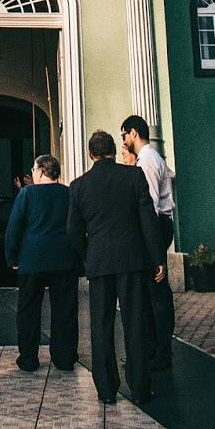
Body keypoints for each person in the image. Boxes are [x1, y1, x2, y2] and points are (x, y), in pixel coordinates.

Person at [67, 129, 162, 407]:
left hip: (98, 262)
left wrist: (88, 256)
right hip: (132, 261)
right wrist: (157, 258)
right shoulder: (133, 176)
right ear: (112, 150)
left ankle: (106, 389)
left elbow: (73, 231)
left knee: (101, 324)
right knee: (135, 323)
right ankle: (140, 387)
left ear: (90, 154)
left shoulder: (78, 185)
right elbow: (149, 220)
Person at [3, 154, 80, 373]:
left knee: (28, 309)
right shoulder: (68, 193)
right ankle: (64, 358)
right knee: (64, 310)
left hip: (32, 258)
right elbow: (76, 226)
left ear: (39, 171)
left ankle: (28, 358)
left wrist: (12, 257)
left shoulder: (27, 193)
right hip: (64, 259)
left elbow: (14, 227)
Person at [121, 116, 176, 370]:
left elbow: (150, 205)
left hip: (155, 228)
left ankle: (161, 351)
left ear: (134, 133)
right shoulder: (148, 159)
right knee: (151, 292)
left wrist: (153, 251)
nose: (124, 141)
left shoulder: (148, 162)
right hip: (155, 227)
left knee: (156, 293)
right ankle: (154, 348)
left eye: (125, 135)